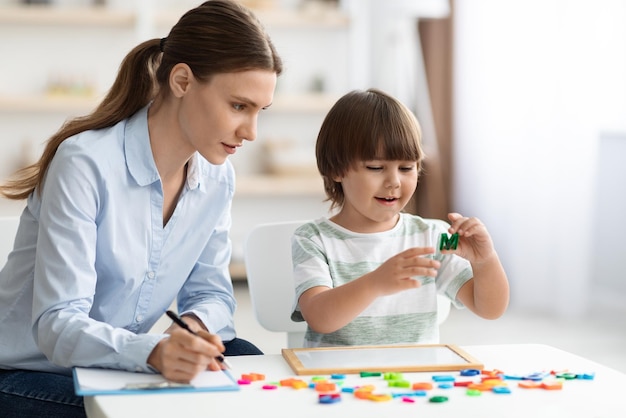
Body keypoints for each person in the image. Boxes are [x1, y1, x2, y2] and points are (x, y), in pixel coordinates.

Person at [0, 1, 282, 416]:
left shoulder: (217, 178)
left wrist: (192, 332)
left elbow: (212, 294)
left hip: (118, 367)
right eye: (239, 106)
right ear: (182, 80)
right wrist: (154, 351)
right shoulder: (85, 164)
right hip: (27, 373)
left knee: (251, 368)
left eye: (260, 112)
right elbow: (57, 324)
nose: (251, 132)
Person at [291, 88, 509, 347]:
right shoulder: (313, 239)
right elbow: (319, 318)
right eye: (375, 168)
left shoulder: (432, 237)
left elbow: (490, 309)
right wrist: (375, 282)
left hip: (413, 380)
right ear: (336, 169)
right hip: (338, 381)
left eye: (407, 168)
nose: (394, 181)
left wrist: (485, 261)